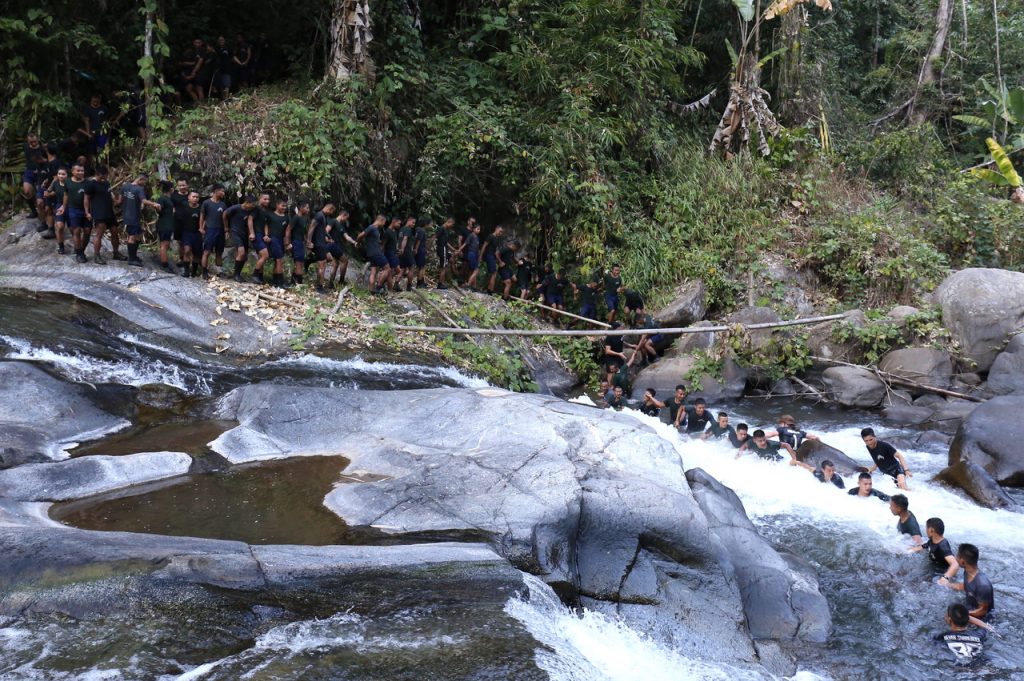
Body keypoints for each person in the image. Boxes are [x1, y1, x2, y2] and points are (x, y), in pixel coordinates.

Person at [941, 543, 995, 624]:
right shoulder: (967, 572)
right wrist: (948, 585)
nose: (955, 558)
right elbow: (967, 586)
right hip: (970, 608)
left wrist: (957, 615)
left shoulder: (983, 585)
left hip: (983, 620)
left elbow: (983, 611)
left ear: (962, 561)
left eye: (957, 556)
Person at [120, 173, 160, 267]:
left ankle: (134, 256)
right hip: (132, 216)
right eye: (145, 181)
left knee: (138, 235)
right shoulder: (139, 189)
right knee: (132, 236)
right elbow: (144, 201)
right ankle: (131, 258)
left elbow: (120, 200)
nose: (145, 184)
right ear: (141, 179)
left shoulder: (125, 186)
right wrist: (154, 204)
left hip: (127, 215)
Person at [84, 165, 117, 264]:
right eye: (106, 175)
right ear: (100, 175)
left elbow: (110, 193)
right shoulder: (91, 184)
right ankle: (97, 255)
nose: (107, 177)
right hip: (99, 212)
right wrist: (87, 212)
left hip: (109, 211)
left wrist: (115, 200)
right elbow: (86, 199)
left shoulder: (106, 183)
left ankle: (116, 252)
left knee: (115, 231)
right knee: (99, 234)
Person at [226, 195, 257, 282]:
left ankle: (237, 274)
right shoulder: (236, 208)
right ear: (247, 203)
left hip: (244, 234)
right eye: (252, 205)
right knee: (241, 252)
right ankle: (236, 275)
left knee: (244, 255)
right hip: (235, 232)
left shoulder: (250, 211)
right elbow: (225, 214)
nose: (253, 206)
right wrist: (226, 227)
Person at [199, 184, 227, 278]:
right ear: (216, 191)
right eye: (222, 191)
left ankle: (219, 271)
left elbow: (224, 218)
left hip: (220, 230)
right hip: (210, 229)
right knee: (207, 251)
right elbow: (202, 216)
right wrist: (201, 228)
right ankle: (204, 271)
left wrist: (226, 229)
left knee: (219, 252)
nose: (223, 193)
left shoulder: (223, 204)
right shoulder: (206, 203)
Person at [306, 202, 335, 291]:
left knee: (329, 258)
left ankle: (309, 261)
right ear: (329, 209)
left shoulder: (323, 216)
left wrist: (329, 238)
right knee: (322, 265)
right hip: (319, 244)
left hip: (322, 243)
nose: (331, 214)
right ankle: (319, 286)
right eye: (332, 212)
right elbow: (311, 227)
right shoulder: (319, 215)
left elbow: (322, 230)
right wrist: (309, 241)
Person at [357, 214, 390, 293]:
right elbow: (361, 235)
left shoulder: (376, 229)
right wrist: (358, 242)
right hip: (375, 253)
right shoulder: (372, 227)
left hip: (371, 254)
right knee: (387, 268)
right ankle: (379, 286)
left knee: (373, 271)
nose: (384, 224)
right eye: (384, 222)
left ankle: (371, 291)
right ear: (381, 220)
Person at [65, 163, 90, 262]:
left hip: (86, 210)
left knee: (87, 231)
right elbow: (65, 194)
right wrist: (63, 206)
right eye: (78, 171)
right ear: (72, 171)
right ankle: (79, 253)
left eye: (82, 171)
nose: (80, 172)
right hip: (73, 209)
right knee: (77, 231)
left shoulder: (88, 183)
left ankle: (81, 250)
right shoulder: (68, 182)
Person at [326, 209, 357, 289]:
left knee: (335, 265)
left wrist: (354, 242)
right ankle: (341, 281)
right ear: (343, 215)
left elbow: (346, 237)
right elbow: (326, 230)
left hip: (335, 246)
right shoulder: (333, 221)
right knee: (345, 261)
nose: (346, 219)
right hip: (332, 245)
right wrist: (328, 240)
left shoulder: (341, 225)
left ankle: (330, 283)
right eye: (346, 217)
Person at [264, 198, 290, 288]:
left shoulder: (286, 217)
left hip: (281, 240)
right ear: (277, 205)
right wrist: (266, 235)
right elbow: (266, 225)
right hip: (273, 239)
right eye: (282, 205)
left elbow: (287, 229)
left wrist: (286, 241)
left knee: (277, 261)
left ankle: (275, 280)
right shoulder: (270, 215)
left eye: (285, 206)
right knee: (279, 260)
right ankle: (280, 281)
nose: (284, 207)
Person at [153, 181, 177, 272]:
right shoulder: (162, 198)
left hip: (168, 224)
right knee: (164, 244)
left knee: (166, 244)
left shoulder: (168, 199)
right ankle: (164, 264)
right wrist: (157, 207)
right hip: (164, 225)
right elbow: (159, 209)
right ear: (171, 189)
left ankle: (165, 261)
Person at [21, 133, 46, 219]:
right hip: (29, 171)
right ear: (27, 141)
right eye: (30, 141)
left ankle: (44, 211)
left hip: (41, 172)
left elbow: (48, 160)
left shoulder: (43, 148)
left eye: (34, 141)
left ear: (38, 139)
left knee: (41, 192)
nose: (33, 143)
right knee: (27, 191)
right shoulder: (25, 147)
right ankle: (33, 211)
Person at [285, 201, 311, 285]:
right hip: (296, 242)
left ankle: (293, 282)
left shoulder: (303, 218)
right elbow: (289, 228)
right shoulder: (296, 217)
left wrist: (307, 241)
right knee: (298, 263)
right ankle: (299, 283)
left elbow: (302, 232)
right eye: (307, 208)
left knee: (301, 263)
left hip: (301, 243)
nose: (308, 210)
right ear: (301, 208)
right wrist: (288, 242)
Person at [249, 192, 272, 284]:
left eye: (268, 199)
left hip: (262, 235)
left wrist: (266, 235)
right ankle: (254, 275)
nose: (267, 201)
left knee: (261, 256)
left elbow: (266, 223)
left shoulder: (265, 211)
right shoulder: (256, 208)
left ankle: (260, 277)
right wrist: (251, 233)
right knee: (265, 255)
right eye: (265, 199)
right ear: (260, 199)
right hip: (256, 234)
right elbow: (250, 219)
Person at [45, 167, 69, 254]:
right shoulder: (55, 183)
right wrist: (48, 194)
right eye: (59, 174)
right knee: (59, 226)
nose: (61, 176)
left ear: (67, 175)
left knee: (74, 229)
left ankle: (78, 249)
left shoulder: (70, 183)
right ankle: (61, 247)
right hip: (59, 205)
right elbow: (55, 192)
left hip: (71, 206)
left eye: (63, 174)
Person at [179, 191, 203, 277]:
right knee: (187, 250)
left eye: (197, 197)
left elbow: (204, 219)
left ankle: (194, 271)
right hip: (186, 232)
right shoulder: (184, 207)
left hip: (197, 233)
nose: (195, 199)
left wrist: (203, 229)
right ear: (189, 198)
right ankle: (186, 271)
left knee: (197, 253)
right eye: (193, 197)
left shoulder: (201, 208)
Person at [171, 179, 191, 267]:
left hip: (191, 222)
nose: (182, 187)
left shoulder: (192, 196)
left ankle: (191, 260)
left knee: (190, 242)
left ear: (187, 185)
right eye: (180, 185)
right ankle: (182, 259)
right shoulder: (174, 196)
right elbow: (172, 209)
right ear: (177, 186)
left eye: (184, 185)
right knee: (180, 242)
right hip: (178, 222)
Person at [481, 225, 503, 293]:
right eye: (500, 231)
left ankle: (489, 289)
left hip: (492, 256)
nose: (501, 233)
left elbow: (496, 250)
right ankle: (490, 290)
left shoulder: (497, 238)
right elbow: (484, 245)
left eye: (502, 232)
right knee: (494, 273)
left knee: (492, 273)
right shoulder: (491, 236)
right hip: (489, 255)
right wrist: (480, 256)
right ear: (496, 229)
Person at [397, 216, 416, 292]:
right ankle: (409, 286)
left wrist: (399, 249)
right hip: (406, 251)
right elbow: (405, 239)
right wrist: (402, 249)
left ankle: (396, 284)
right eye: (413, 222)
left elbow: (399, 240)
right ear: (409, 220)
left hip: (401, 252)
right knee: (412, 267)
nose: (414, 224)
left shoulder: (401, 229)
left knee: (403, 269)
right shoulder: (408, 229)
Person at [382, 217, 402, 290]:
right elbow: (383, 245)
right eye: (398, 223)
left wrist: (397, 250)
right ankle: (390, 289)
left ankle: (387, 284)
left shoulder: (394, 231)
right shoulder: (387, 232)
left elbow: (393, 244)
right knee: (392, 272)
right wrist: (382, 254)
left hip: (394, 253)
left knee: (396, 271)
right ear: (393, 221)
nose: (399, 225)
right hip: (389, 254)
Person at [435, 217, 454, 289]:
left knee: (444, 266)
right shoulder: (441, 228)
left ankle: (441, 282)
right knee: (443, 266)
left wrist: (453, 249)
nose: (452, 226)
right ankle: (440, 283)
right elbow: (435, 237)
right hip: (442, 249)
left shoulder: (446, 230)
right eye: (452, 224)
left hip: (444, 248)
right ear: (449, 222)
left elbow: (446, 242)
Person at [413, 217, 429, 288]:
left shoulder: (417, 229)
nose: (431, 225)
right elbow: (419, 241)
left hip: (420, 249)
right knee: (421, 267)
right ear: (425, 224)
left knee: (420, 267)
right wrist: (416, 249)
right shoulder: (422, 231)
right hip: (420, 250)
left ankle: (421, 281)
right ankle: (419, 283)